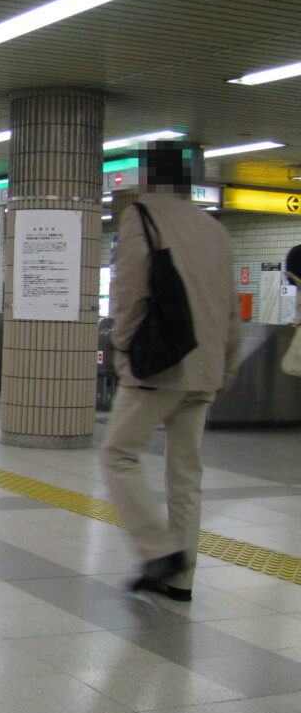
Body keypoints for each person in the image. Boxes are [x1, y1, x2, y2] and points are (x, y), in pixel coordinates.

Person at [102, 146, 240, 602]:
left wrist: (123, 349)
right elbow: (230, 310)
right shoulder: (214, 229)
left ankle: (157, 551)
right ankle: (182, 579)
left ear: (147, 177)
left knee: (119, 455)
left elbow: (128, 294)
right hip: (204, 369)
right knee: (185, 476)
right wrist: (225, 366)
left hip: (158, 365)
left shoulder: (142, 216)